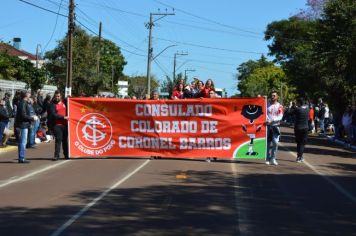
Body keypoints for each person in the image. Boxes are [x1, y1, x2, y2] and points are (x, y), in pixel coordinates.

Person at [15, 91, 38, 163]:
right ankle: (21, 158)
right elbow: (23, 115)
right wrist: (32, 118)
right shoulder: (22, 103)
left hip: (23, 124)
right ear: (26, 95)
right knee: (23, 142)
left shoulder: (23, 103)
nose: (30, 95)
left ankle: (21, 157)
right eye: (28, 94)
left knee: (22, 142)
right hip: (22, 125)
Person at [49, 91, 69, 160]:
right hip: (57, 125)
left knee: (65, 141)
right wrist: (63, 117)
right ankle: (56, 155)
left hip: (65, 125)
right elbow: (53, 115)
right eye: (56, 96)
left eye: (58, 96)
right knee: (58, 140)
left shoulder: (65, 103)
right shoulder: (52, 105)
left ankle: (66, 155)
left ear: (61, 96)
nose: (57, 97)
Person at [266, 91, 284, 165]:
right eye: (271, 95)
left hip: (275, 126)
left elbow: (280, 116)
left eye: (274, 95)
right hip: (267, 126)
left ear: (277, 97)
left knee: (275, 143)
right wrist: (267, 119)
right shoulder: (267, 105)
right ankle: (267, 158)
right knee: (267, 143)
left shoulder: (280, 106)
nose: (272, 96)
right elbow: (265, 113)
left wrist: (273, 120)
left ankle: (273, 158)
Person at [291, 98, 309, 163]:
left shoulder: (297, 109)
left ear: (299, 103)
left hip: (298, 128)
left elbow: (290, 113)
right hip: (305, 128)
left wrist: (292, 106)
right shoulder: (307, 109)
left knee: (299, 143)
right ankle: (300, 156)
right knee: (302, 143)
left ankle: (299, 157)